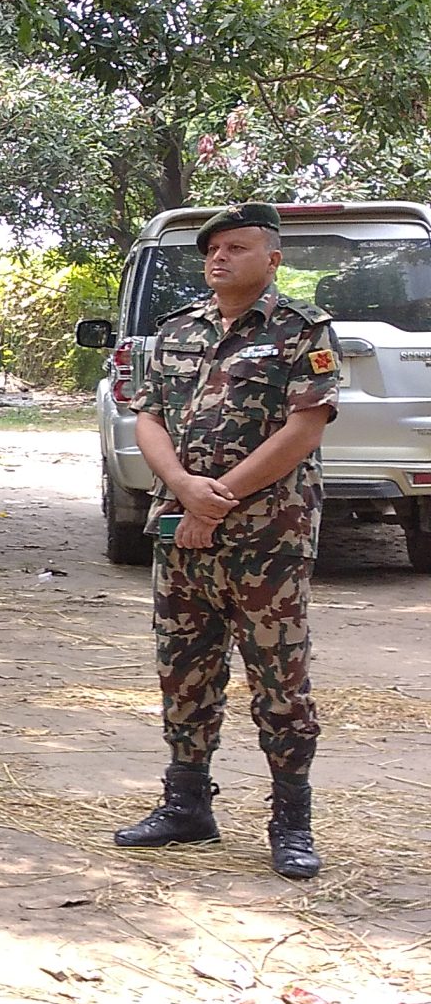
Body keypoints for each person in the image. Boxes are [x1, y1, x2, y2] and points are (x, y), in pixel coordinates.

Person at [114, 201, 337, 880]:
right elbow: (147, 416)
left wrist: (222, 497)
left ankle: (290, 823)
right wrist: (185, 487)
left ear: (272, 259)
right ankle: (187, 807)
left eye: (236, 248)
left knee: (280, 682)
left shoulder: (303, 331)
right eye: (212, 248)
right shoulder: (176, 330)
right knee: (185, 672)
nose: (219, 257)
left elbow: (304, 428)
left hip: (267, 538)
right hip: (183, 534)